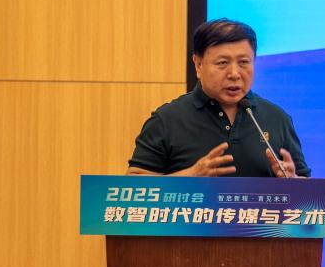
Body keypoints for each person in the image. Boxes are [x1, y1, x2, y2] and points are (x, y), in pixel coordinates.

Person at [127, 18, 310, 178]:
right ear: (198, 65)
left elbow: (307, 189)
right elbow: (133, 186)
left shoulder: (277, 118)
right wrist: (190, 175)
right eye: (223, 63)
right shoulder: (167, 120)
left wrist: (293, 181)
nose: (234, 74)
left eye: (243, 62)